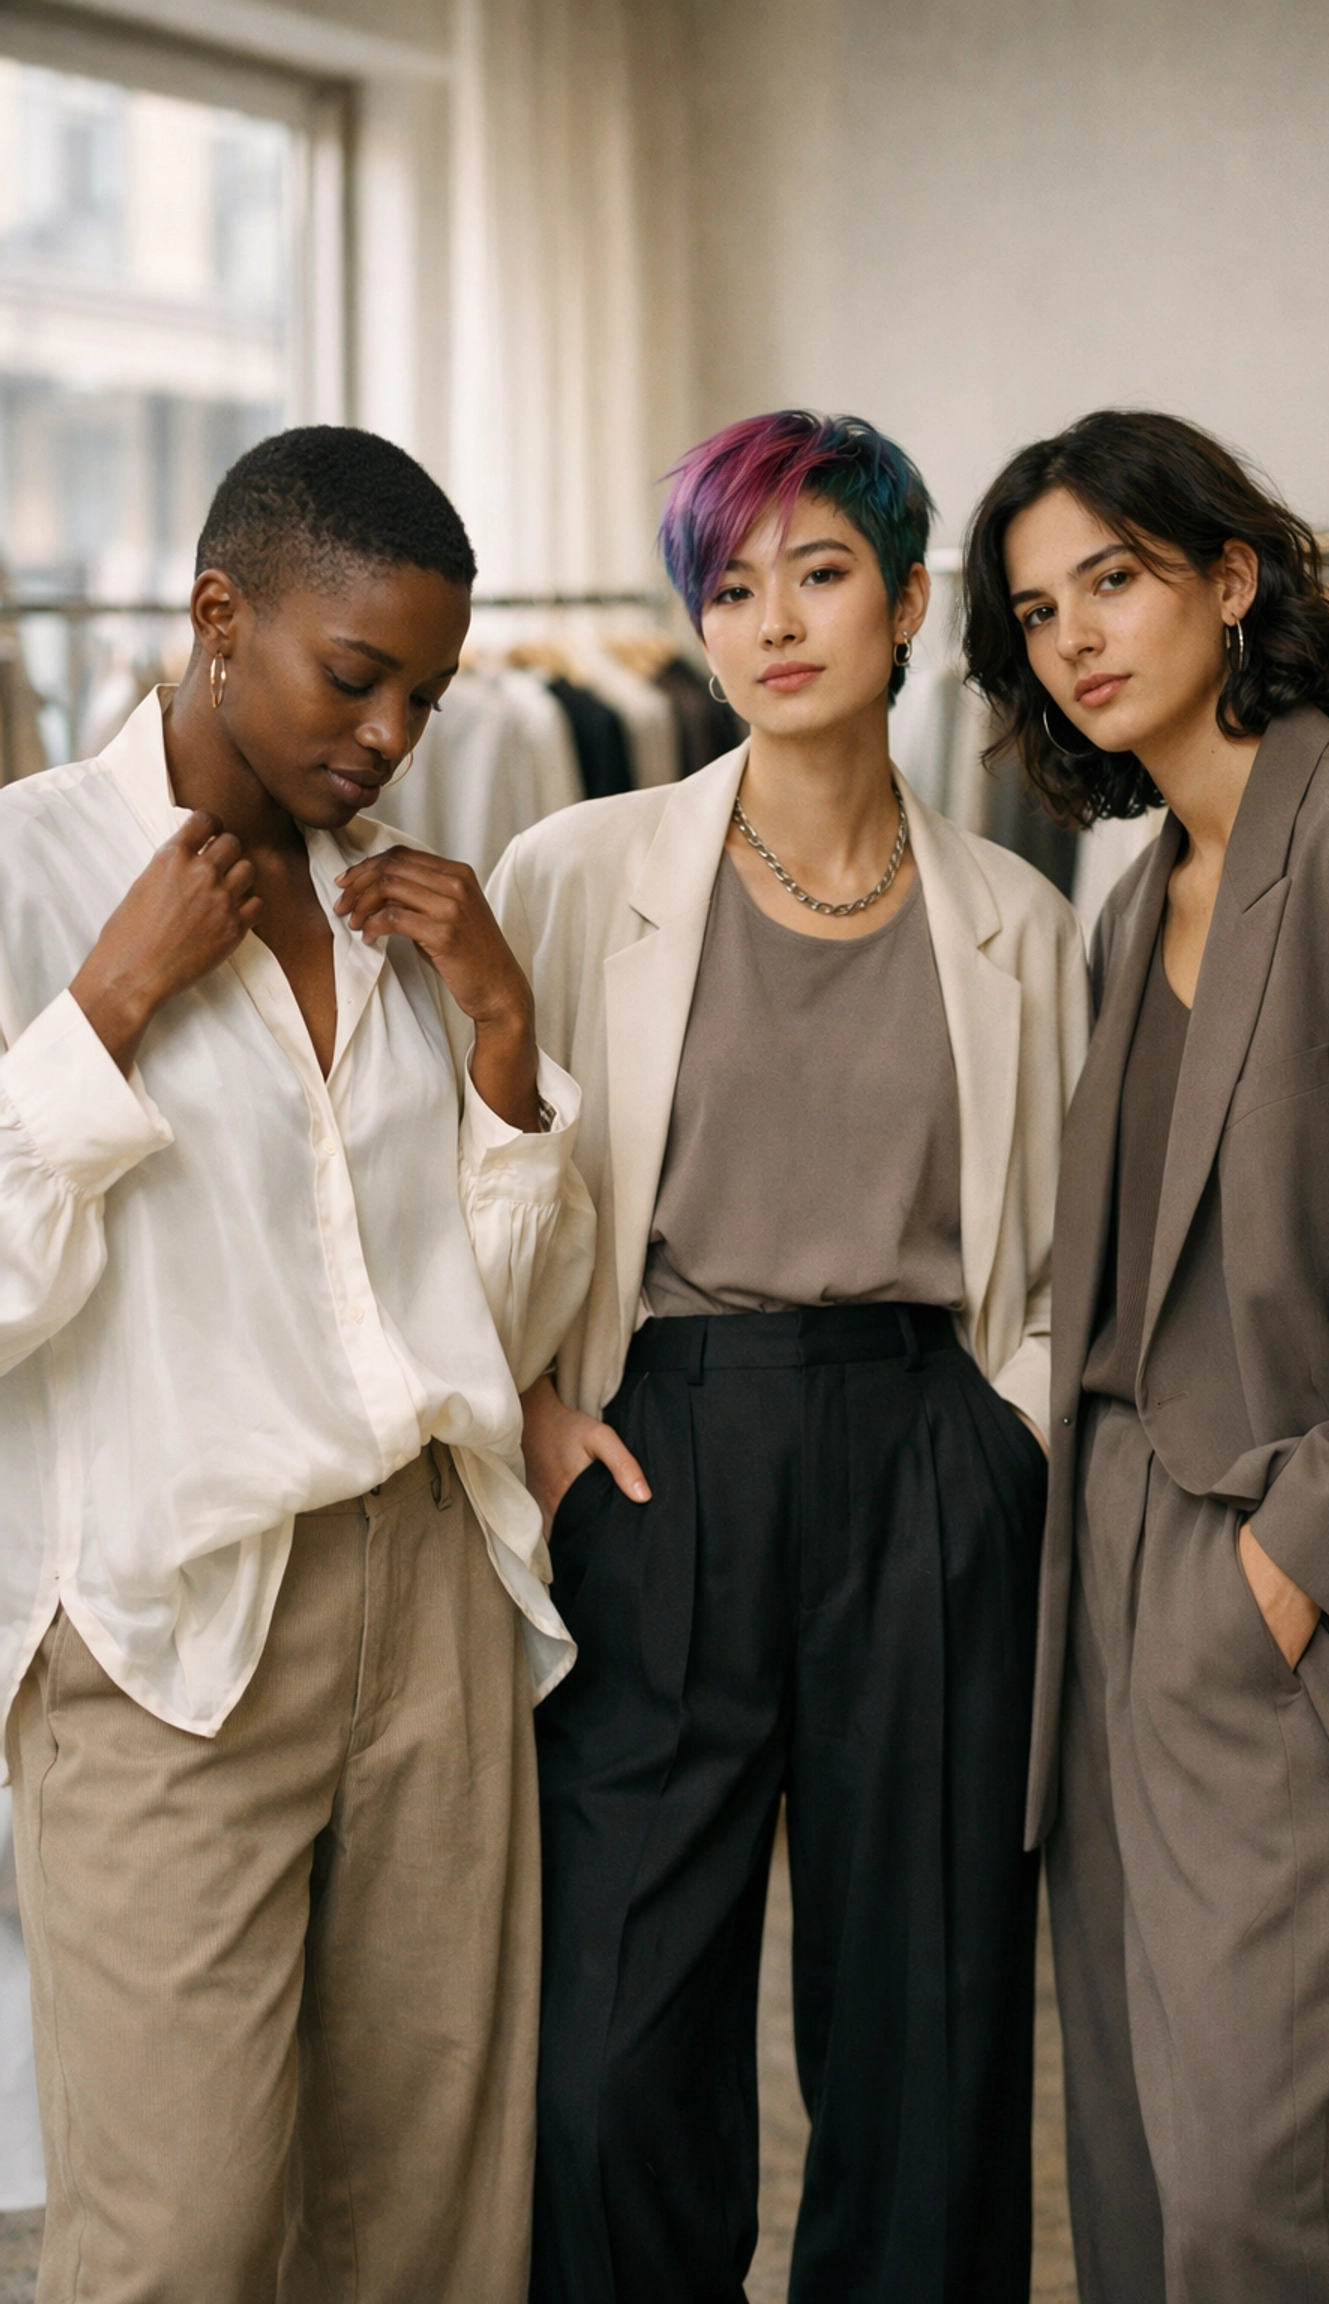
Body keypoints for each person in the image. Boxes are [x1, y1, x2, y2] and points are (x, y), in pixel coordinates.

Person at [487, 409, 1089, 2303]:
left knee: (927, 2039)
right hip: (660, 1458)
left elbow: (1068, 1263)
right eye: (729, 587)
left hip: (926, 1465)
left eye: (819, 573)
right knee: (603, 2055)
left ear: (907, 604)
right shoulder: (577, 872)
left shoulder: (1019, 922)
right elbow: (467, 1182)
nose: (773, 622)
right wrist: (534, 1412)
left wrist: (1004, 1453)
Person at [0, 425, 594, 2303]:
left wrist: (501, 1035)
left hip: (430, 1592)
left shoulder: (413, 905)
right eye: (359, 677)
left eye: (426, 693)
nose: (392, 736)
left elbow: (485, 1317)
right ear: (217, 615)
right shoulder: (26, 880)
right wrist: (111, 1001)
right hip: (169, 1629)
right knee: (174, 2242)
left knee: (427, 2217)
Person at [962, 407, 1329, 2304]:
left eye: (1112, 581)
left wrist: (1282, 1578)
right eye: (1041, 612)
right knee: (1134, 2175)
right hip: (1106, 1581)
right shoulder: (1137, 898)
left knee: (1262, 2198)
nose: (1077, 640)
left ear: (1229, 576)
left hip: (1279, 1583)